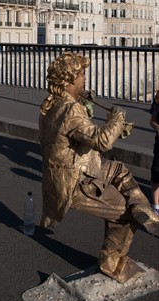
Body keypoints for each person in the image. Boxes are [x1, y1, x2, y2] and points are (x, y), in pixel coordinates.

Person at [39, 52, 159, 284]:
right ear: (71, 80)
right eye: (82, 75)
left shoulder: (52, 104)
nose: (85, 79)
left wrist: (86, 106)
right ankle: (111, 262)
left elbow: (77, 136)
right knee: (123, 215)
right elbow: (102, 140)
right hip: (77, 180)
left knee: (119, 169)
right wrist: (116, 119)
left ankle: (144, 210)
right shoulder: (70, 110)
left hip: (74, 168)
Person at [149, 89, 159, 215]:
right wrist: (157, 127)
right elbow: (152, 121)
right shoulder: (157, 100)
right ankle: (156, 206)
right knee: (156, 173)